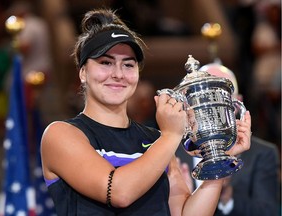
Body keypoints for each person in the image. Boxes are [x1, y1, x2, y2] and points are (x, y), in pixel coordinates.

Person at [40, 9, 251, 215]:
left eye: (128, 65)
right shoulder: (61, 135)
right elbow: (119, 192)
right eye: (106, 63)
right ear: (83, 73)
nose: (118, 74)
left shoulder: (156, 140)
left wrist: (219, 160)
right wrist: (171, 135)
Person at [176, 63, 280, 216]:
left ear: (237, 103)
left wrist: (227, 197)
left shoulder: (263, 153)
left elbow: (268, 212)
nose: (211, 107)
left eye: (221, 96)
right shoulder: (174, 153)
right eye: (204, 97)